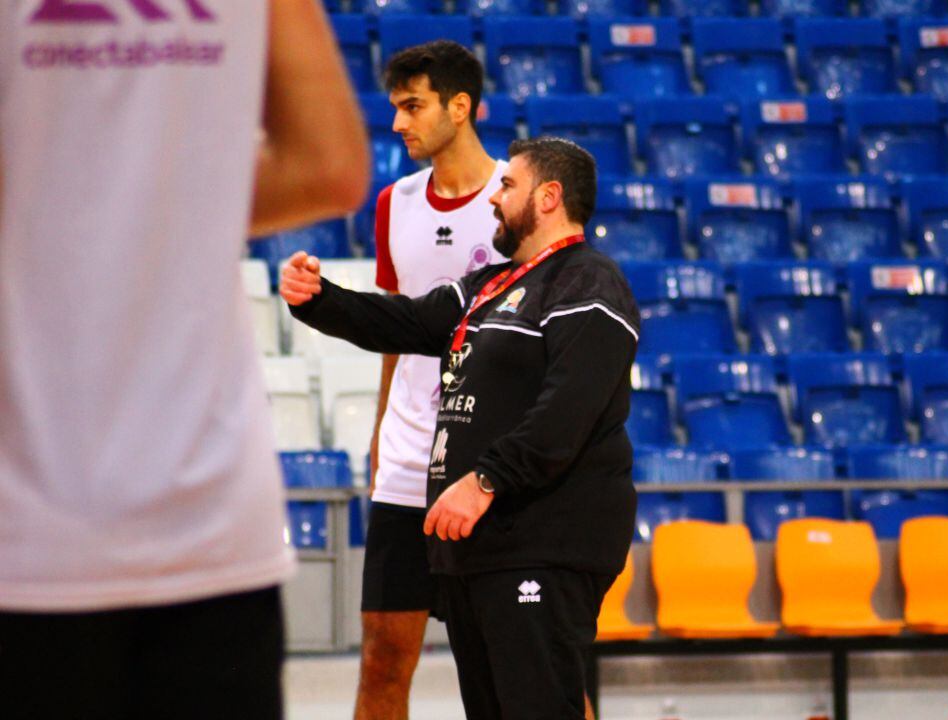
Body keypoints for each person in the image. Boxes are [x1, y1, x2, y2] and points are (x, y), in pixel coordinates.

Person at [0, 2, 369, 718]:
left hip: (25, 522)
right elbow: (328, 165)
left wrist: (66, 206)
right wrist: (159, 208)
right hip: (213, 515)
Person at [282, 136, 639, 720]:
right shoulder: (491, 286)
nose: (494, 198)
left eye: (508, 185)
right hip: (480, 552)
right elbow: (407, 320)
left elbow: (567, 412)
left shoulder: (590, 283)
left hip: (542, 543)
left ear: (549, 198)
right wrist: (321, 300)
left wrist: (485, 480)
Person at [356, 40, 504, 720]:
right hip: (409, 461)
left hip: (496, 466)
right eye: (395, 108)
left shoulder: (521, 195)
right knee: (383, 661)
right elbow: (396, 330)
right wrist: (380, 434)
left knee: (527, 667)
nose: (398, 124)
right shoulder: (394, 204)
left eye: (412, 107)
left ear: (460, 106)